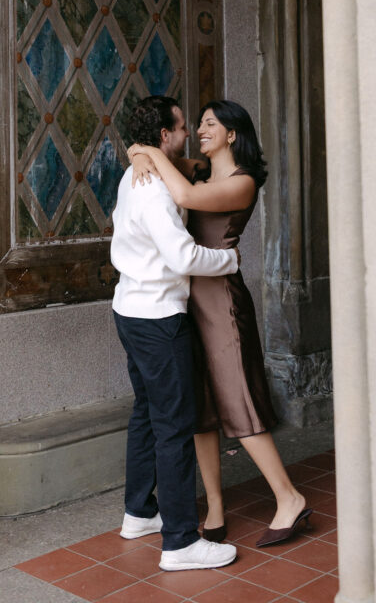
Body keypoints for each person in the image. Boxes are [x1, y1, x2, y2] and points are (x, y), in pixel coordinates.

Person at [129, 99, 312, 548]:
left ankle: (290, 499)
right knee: (201, 411)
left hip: (224, 305)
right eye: (198, 123)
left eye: (211, 124)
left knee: (238, 400)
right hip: (188, 305)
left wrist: (148, 153)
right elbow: (146, 153)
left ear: (232, 134)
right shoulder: (197, 170)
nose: (200, 129)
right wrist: (142, 150)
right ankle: (213, 504)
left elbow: (185, 198)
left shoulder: (241, 182)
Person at [111, 95, 239, 572]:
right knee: (174, 425)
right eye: (182, 127)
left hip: (129, 310)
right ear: (164, 135)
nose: (188, 133)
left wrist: (141, 152)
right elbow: (183, 257)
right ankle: (181, 542)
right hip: (158, 319)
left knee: (146, 413)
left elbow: (180, 164)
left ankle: (139, 513)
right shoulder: (154, 188)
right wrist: (228, 259)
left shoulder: (140, 172)